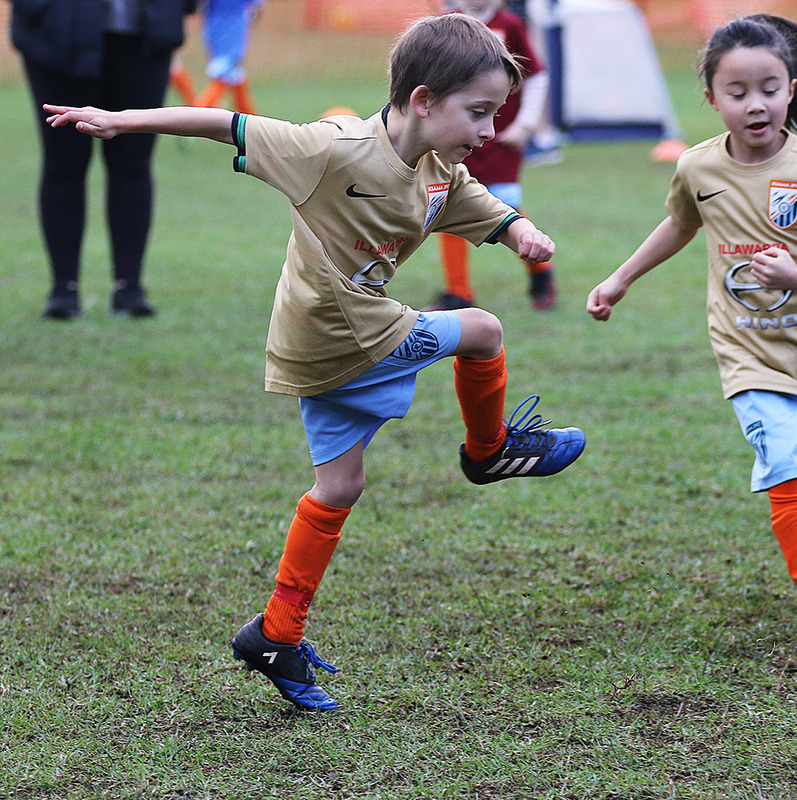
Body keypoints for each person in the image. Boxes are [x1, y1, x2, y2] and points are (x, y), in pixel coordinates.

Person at [45, 13, 587, 710]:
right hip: (347, 332)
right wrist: (121, 121)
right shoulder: (330, 149)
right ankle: (488, 451)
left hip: (319, 345)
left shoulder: (434, 166)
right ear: (423, 100)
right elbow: (228, 126)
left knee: (340, 486)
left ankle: (275, 633)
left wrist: (518, 232)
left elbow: (466, 198)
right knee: (481, 329)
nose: (488, 130)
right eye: (478, 112)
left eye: (494, 113)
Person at [587, 14, 797, 654]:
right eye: (739, 92)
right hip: (748, 352)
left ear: (792, 87)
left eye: (770, 88)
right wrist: (620, 280)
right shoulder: (698, 168)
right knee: (784, 462)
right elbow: (678, 225)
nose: (756, 104)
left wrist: (796, 273)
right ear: (712, 98)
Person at [10, 0, 196, 319]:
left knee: (134, 163)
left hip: (144, 39)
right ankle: (63, 290)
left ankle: (130, 288)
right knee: (62, 164)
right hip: (57, 34)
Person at [424, 0, 557, 312]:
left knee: (504, 205)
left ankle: (541, 272)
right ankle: (459, 292)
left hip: (499, 139)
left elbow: (536, 76)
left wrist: (525, 124)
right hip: (456, 136)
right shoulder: (446, 25)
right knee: (444, 205)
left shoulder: (509, 25)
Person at [193, 0, 264, 114]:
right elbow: (257, 11)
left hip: (213, 34)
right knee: (222, 79)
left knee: (236, 78)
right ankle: (194, 118)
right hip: (232, 37)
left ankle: (251, 125)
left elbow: (197, 7)